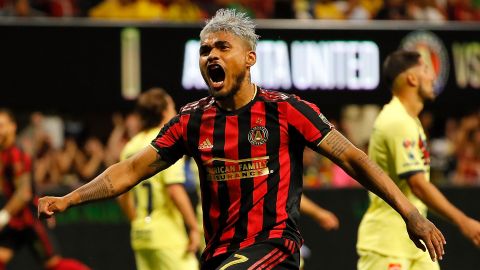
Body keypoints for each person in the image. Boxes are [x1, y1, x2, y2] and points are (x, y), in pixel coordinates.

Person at [38, 9, 446, 269]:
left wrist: (410, 212)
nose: (210, 55)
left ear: (250, 58)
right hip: (217, 256)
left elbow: (353, 159)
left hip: (275, 249)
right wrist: (70, 198)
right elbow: (128, 171)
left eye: (222, 47)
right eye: (204, 50)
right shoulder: (191, 121)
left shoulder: (286, 111)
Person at [356, 50, 480, 270]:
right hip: (388, 243)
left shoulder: (409, 121)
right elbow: (418, 185)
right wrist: (463, 221)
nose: (432, 76)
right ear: (411, 78)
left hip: (417, 238)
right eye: (425, 70)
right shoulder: (397, 120)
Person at [117, 87, 200, 270]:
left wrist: (137, 221)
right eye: (171, 107)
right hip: (167, 235)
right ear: (164, 112)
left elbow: (122, 195)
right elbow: (174, 190)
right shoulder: (166, 143)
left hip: (140, 235)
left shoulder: (130, 146)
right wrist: (194, 228)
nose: (174, 111)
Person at [0, 108, 90, 270]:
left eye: (1, 126)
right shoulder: (5, 153)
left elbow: (24, 192)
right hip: (16, 220)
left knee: (54, 264)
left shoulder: (16, 154)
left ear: (13, 127)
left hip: (30, 219)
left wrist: (4, 215)